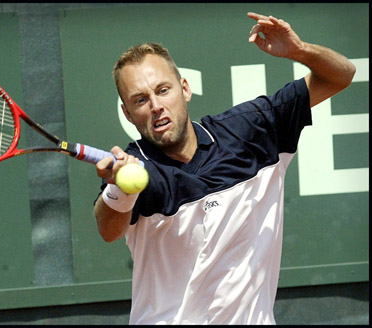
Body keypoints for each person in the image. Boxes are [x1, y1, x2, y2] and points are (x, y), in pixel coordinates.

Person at [93, 12, 356, 325]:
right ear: (128, 113)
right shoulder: (136, 170)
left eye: (163, 90)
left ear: (185, 89)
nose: (155, 105)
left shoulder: (252, 130)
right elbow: (108, 230)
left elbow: (341, 75)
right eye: (140, 100)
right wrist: (119, 188)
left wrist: (300, 51)